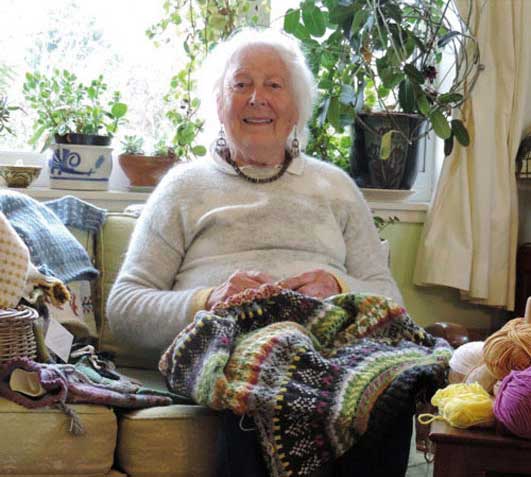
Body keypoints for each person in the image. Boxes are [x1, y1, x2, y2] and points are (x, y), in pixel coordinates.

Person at [107, 28, 408, 477]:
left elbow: (390, 299)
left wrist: (338, 286)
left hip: (331, 343)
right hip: (230, 346)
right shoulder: (183, 188)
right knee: (268, 357)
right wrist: (208, 300)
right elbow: (124, 307)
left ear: (297, 107)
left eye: (274, 85)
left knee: (395, 376)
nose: (257, 98)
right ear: (219, 103)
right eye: (241, 83)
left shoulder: (337, 188)